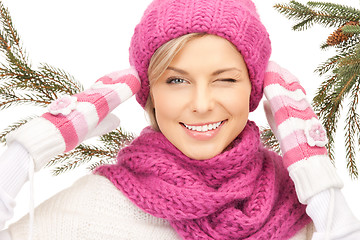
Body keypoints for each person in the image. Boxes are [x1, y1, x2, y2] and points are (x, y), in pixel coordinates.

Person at [0, 0, 360, 239]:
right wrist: (21, 155)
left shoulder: (301, 200)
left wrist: (317, 178)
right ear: (150, 92)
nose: (201, 104)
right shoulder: (90, 208)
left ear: (255, 89)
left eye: (226, 79)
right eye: (176, 80)